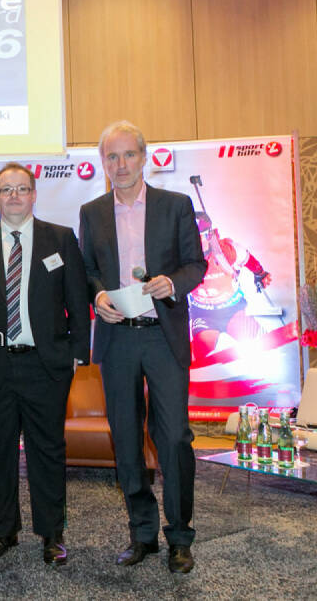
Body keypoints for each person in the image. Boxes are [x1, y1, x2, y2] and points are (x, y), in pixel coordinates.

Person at [78, 121, 207, 574]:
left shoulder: (176, 205)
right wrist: (97, 296)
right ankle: (143, 534)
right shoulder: (92, 212)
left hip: (162, 335)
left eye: (128, 154)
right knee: (126, 439)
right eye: (111, 157)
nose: (121, 165)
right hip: (117, 338)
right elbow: (87, 270)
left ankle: (180, 537)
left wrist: (173, 282)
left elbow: (196, 264)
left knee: (174, 438)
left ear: (144, 157)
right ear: (103, 163)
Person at [0, 163, 89, 566]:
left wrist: (76, 353)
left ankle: (52, 534)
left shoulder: (60, 239)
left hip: (46, 367)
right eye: (6, 189)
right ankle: (4, 532)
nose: (14, 196)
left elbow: (77, 300)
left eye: (21, 188)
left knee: (48, 452)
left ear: (34, 195)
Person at [189, 211, 273, 362]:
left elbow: (246, 258)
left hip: (232, 309)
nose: (197, 244)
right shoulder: (181, 256)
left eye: (200, 237)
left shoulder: (225, 251)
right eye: (191, 238)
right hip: (203, 314)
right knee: (202, 348)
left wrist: (260, 274)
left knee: (252, 339)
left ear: (209, 235)